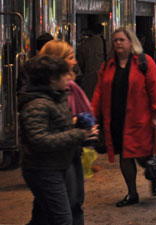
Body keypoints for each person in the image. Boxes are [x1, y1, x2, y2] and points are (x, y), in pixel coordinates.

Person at [91, 28, 156, 208]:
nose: (118, 43)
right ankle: (132, 193)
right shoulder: (108, 65)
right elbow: (99, 92)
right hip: (117, 120)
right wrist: (93, 117)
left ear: (130, 42)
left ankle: (153, 175)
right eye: (115, 40)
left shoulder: (144, 62)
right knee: (124, 155)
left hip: (140, 120)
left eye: (122, 40)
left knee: (142, 155)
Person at [21, 52, 97, 225]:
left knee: (42, 217)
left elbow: (58, 126)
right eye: (64, 75)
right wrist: (79, 134)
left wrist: (78, 126)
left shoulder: (57, 96)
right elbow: (40, 139)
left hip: (58, 164)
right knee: (62, 219)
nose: (68, 78)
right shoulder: (37, 104)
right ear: (52, 79)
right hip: (44, 168)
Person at [40, 40, 99, 180]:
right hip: (57, 156)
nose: (75, 62)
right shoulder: (58, 90)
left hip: (67, 151)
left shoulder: (66, 86)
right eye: (71, 58)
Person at [76, 21, 108, 96]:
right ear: (102, 32)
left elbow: (80, 63)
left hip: (89, 78)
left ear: (90, 31)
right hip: (103, 77)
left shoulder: (84, 45)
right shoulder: (107, 44)